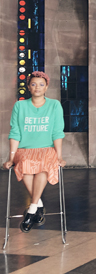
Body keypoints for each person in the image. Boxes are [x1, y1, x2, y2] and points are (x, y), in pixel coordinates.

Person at [3, 71, 65, 232]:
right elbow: (15, 132)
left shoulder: (54, 105)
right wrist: (11, 157)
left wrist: (59, 156)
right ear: (29, 87)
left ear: (46, 87)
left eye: (41, 84)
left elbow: (57, 132)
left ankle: (31, 211)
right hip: (25, 149)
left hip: (47, 149)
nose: (37, 87)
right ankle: (38, 206)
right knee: (24, 164)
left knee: (44, 164)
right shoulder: (20, 106)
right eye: (33, 84)